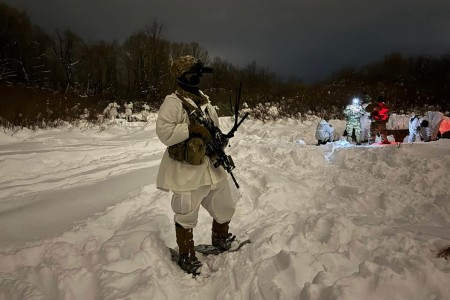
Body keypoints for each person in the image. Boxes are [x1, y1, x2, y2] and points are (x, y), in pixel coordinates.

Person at [155, 55, 239, 275]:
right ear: (183, 75)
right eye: (194, 73)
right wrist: (190, 129)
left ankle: (221, 238)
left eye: (199, 73)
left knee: (225, 203)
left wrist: (220, 138)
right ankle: (187, 255)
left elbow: (215, 128)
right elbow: (164, 133)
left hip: (211, 166)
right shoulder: (173, 102)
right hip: (186, 171)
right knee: (186, 212)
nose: (198, 77)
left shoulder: (204, 100)